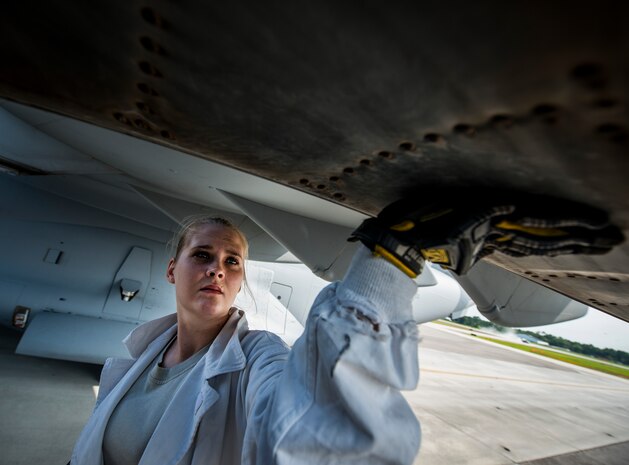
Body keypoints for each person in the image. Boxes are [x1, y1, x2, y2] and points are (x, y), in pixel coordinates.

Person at [70, 195, 621, 465]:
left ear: (241, 281)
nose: (217, 268)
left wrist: (386, 265)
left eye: (233, 261)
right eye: (203, 255)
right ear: (172, 269)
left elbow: (307, 418)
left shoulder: (257, 356)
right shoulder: (139, 357)